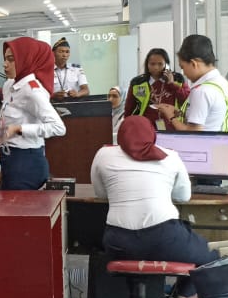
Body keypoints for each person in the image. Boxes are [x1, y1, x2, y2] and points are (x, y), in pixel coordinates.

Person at [91, 116, 217, 272]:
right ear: (152, 134)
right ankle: (182, 295)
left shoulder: (103, 154)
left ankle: (132, 294)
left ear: (121, 134)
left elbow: (101, 194)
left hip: (118, 241)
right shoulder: (170, 156)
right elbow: (183, 197)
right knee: (212, 256)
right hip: (164, 237)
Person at [0, 38, 66, 190]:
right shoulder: (9, 85)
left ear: (25, 60)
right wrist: (1, 169)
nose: (5, 64)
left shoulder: (32, 90)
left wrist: (19, 128)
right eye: (5, 59)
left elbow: (58, 127)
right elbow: (5, 125)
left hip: (26, 162)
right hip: (9, 158)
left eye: (11, 59)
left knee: (20, 212)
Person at [154, 34, 228, 132]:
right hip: (218, 144)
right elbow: (210, 115)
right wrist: (181, 112)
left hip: (201, 146)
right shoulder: (222, 83)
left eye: (183, 67)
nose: (184, 73)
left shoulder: (201, 91)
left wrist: (171, 117)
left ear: (194, 63)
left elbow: (193, 133)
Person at [124, 48, 188, 125]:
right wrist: (126, 124)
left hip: (172, 125)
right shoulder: (138, 82)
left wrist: (172, 84)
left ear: (166, 65)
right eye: (152, 64)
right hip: (145, 125)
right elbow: (129, 108)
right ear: (147, 65)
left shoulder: (178, 79)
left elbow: (186, 99)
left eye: (160, 64)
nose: (156, 67)